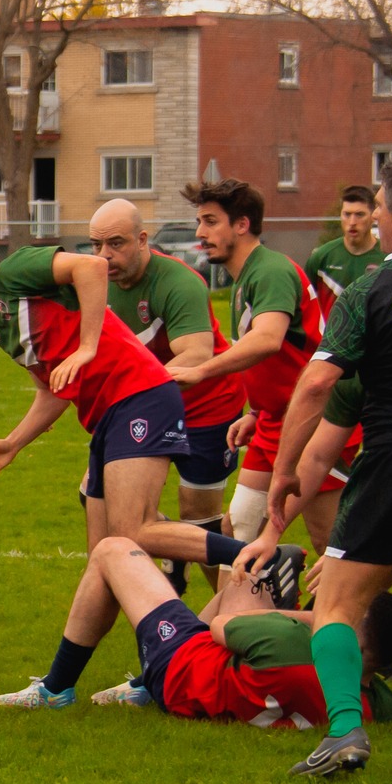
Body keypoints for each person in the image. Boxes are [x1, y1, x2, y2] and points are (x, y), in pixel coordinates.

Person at [0, 229, 256, 707]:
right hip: (108, 416)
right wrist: (14, 443)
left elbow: (89, 267)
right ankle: (59, 688)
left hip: (140, 397)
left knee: (132, 533)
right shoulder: (3, 326)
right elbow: (55, 388)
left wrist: (89, 345)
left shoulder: (13, 273)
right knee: (109, 561)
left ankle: (259, 557)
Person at [242, 154, 392, 776]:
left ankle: (346, 734)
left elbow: (318, 382)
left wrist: (282, 471)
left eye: (378, 206)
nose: (373, 215)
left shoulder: (370, 289)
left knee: (338, 607)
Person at [40, 535, 392, 730]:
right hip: (216, 680)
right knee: (247, 589)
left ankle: (55, 689)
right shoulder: (366, 703)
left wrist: (309, 618)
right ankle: (266, 573)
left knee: (113, 549)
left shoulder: (285, 644)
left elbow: (221, 627)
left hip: (182, 668)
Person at [168, 178, 348, 553]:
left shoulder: (269, 270)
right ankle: (254, 609)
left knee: (329, 542)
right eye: (200, 221)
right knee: (239, 528)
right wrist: (255, 411)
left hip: (314, 420)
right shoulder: (245, 277)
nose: (200, 232)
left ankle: (341, 611)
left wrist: (202, 370)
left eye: (210, 221)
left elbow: (268, 339)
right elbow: (274, 357)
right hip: (274, 420)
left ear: (242, 224)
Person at [92, 198, 249, 592]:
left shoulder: (178, 282)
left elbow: (196, 352)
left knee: (198, 514)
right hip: (150, 408)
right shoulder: (95, 284)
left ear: (143, 239)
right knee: (98, 494)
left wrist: (131, 392)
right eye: (96, 245)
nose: (104, 255)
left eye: (115, 244)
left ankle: (232, 605)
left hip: (208, 409)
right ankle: (171, 554)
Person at [306, 184, 384, 317]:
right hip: (331, 336)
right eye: (347, 214)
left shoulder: (387, 257)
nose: (352, 222)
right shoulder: (321, 257)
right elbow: (305, 305)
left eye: (360, 215)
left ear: (373, 217)